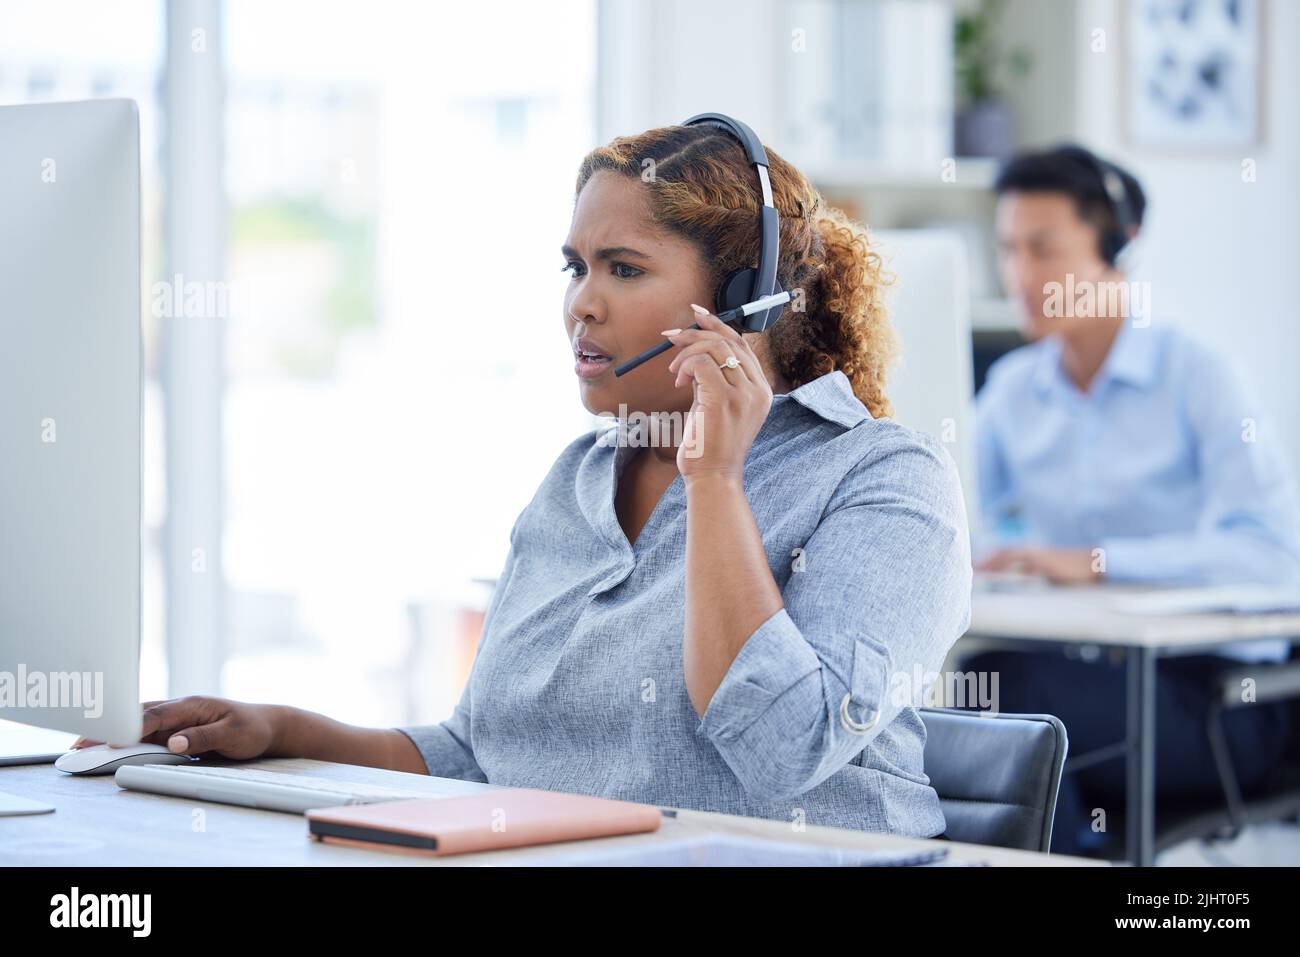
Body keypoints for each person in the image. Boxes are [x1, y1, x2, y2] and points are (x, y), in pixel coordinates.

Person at [76, 116, 972, 837]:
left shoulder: (885, 480)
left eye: (624, 269)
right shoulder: (577, 480)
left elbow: (784, 749)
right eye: (575, 267)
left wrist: (716, 479)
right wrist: (283, 730)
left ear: (743, 300)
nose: (582, 301)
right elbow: (481, 755)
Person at [968, 144, 1300, 856]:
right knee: (975, 699)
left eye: (1043, 248)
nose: (1020, 275)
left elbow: (1275, 556)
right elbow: (977, 532)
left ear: (1117, 245)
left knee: (1007, 693)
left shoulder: (1198, 376)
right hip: (1090, 681)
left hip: (1222, 699)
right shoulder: (1011, 395)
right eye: (1007, 249)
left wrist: (1094, 562)